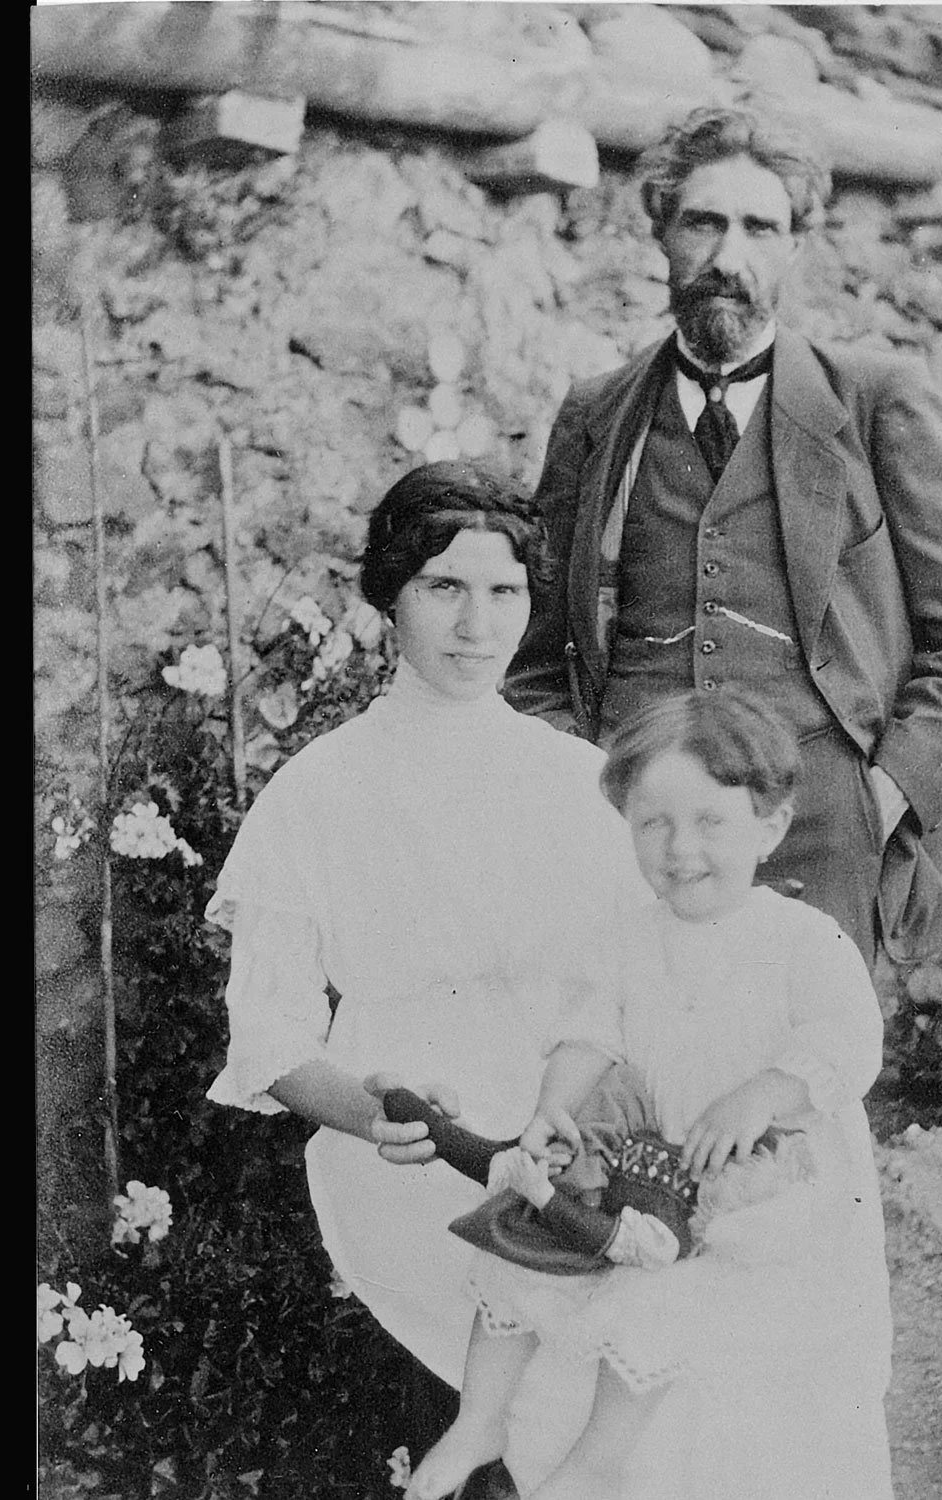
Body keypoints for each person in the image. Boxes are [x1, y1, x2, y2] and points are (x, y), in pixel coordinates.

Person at [506, 105, 942, 969]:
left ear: (795, 245)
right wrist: (579, 786)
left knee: (801, 1050)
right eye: (703, 223)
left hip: (823, 834)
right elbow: (534, 653)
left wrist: (885, 795)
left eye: (759, 227)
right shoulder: (597, 414)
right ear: (661, 234)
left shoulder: (875, 401)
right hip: (632, 831)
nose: (728, 256)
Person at [204, 460, 644, 1495]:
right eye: (444, 587)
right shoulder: (318, 792)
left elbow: (630, 991)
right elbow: (269, 1036)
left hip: (564, 1132)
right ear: (390, 596)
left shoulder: (578, 782)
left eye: (503, 591)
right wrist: (371, 1114)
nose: (476, 625)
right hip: (407, 1156)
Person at [401, 687, 894, 1500]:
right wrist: (554, 1107)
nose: (679, 849)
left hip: (759, 1197)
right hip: (648, 1182)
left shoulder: (802, 941)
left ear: (770, 827)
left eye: (710, 822)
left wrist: (764, 1092)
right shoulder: (626, 942)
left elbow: (848, 1043)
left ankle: (597, 1462)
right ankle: (480, 1418)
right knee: (513, 1256)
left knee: (660, 1315)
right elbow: (589, 1034)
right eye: (652, 823)